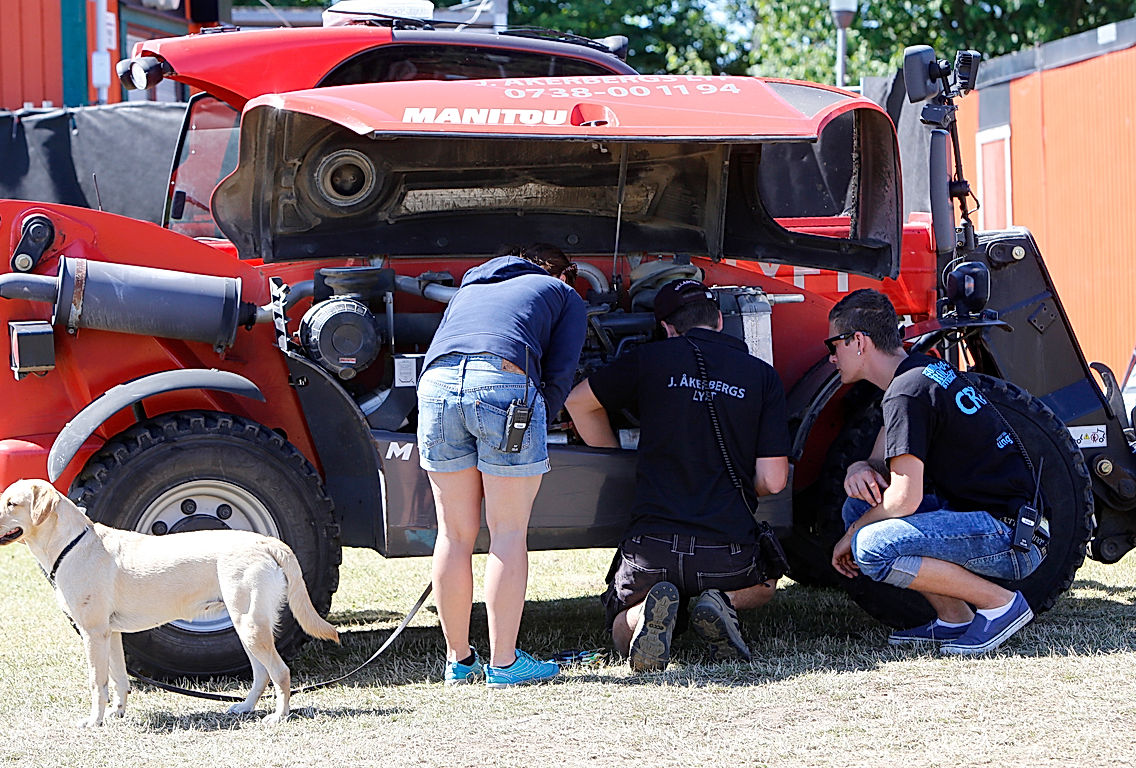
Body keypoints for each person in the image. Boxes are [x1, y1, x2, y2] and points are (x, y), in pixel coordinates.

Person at [565, 279, 790, 671]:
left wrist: (615, 461)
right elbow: (773, 481)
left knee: (618, 620)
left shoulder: (650, 359)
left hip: (651, 549)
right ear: (719, 320)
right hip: (727, 554)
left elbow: (577, 403)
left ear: (667, 328)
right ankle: (723, 602)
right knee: (766, 583)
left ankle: (640, 617)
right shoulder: (762, 376)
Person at [827, 288, 1047, 655]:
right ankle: (954, 617)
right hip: (1016, 523)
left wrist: (849, 535)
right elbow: (884, 455)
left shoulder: (905, 392)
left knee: (870, 546)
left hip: (1010, 536)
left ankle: (1000, 604)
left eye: (833, 345)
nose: (832, 358)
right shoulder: (918, 374)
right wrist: (859, 467)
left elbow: (904, 499)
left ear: (859, 342)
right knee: (859, 506)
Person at [418, 243, 586, 686]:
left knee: (453, 534)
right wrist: (538, 418)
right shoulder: (562, 293)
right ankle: (506, 664)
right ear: (562, 273)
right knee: (507, 531)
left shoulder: (472, 285)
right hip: (503, 383)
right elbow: (561, 373)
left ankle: (459, 661)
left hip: (434, 387)